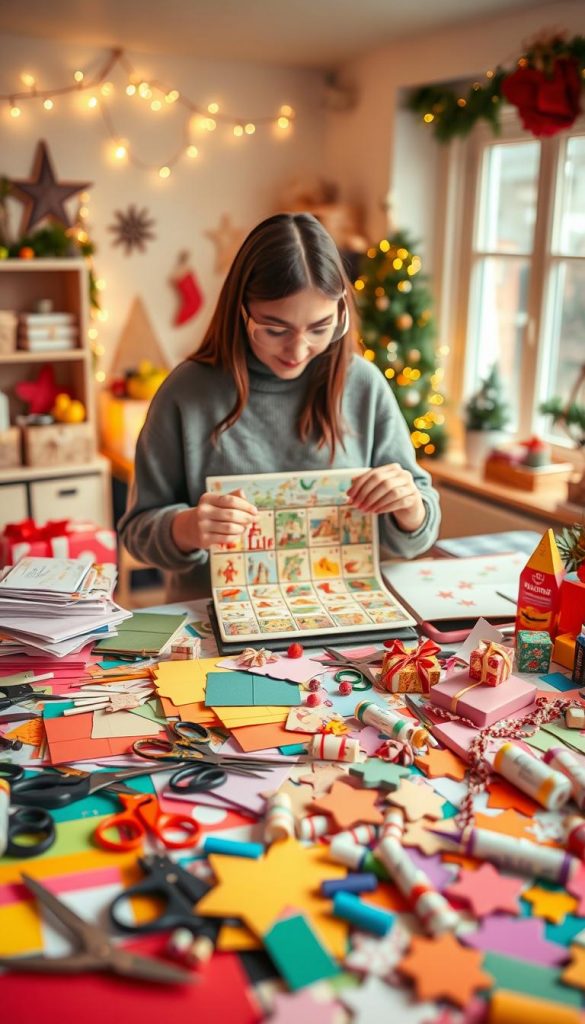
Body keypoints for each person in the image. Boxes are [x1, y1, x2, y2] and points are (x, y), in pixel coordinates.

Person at [119, 212, 440, 601]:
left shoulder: (363, 384)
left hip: (343, 618)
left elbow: (417, 536)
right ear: (242, 311)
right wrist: (187, 528)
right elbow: (136, 534)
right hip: (214, 628)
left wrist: (409, 509)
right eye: (274, 330)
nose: (298, 349)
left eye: (321, 328)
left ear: (341, 313)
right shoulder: (186, 392)